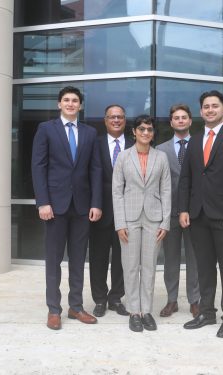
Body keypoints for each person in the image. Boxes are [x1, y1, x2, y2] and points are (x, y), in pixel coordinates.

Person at [179, 90, 223, 338]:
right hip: (198, 215)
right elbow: (186, 178)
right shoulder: (195, 140)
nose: (210, 110)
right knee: (204, 267)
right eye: (206, 107)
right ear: (201, 112)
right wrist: (183, 209)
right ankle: (206, 312)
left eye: (215, 106)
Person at [31, 86, 102, 330]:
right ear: (59, 104)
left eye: (75, 101)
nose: (71, 104)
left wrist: (96, 203)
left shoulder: (90, 132)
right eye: (66, 100)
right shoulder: (46, 129)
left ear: (80, 106)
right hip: (55, 206)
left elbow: (95, 169)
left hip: (82, 207)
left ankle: (76, 307)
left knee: (78, 259)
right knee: (53, 260)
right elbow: (38, 167)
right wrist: (43, 201)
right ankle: (54, 309)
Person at [112, 115, 171, 332]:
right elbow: (116, 191)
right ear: (134, 132)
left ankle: (146, 311)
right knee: (130, 267)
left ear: (153, 133)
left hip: (154, 219)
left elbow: (166, 190)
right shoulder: (123, 157)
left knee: (149, 267)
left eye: (150, 129)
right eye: (142, 129)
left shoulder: (161, 157)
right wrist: (119, 222)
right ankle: (133, 311)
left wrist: (165, 222)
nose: (146, 132)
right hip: (128, 218)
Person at [156, 104, 200, 318]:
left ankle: (195, 300)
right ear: (171, 122)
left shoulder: (201, 145)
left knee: (195, 259)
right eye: (176, 117)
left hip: (195, 213)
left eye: (184, 117)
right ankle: (171, 300)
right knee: (170, 260)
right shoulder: (161, 149)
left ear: (190, 121)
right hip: (169, 213)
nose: (180, 120)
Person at [89, 104, 133, 317]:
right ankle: (99, 299)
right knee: (98, 258)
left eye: (120, 117)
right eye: (112, 117)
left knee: (122, 259)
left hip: (128, 212)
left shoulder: (135, 144)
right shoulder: (93, 143)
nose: (116, 120)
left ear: (125, 120)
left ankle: (116, 298)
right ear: (105, 120)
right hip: (100, 210)